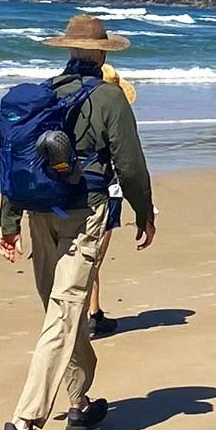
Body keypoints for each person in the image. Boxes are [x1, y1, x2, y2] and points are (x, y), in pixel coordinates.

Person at [0, 14, 157, 430]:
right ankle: (24, 423)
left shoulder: (44, 93)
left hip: (37, 210)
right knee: (65, 314)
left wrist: (9, 221)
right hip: (83, 211)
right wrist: (144, 213)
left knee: (59, 310)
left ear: (68, 51)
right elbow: (129, 164)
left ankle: (79, 401)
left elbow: (15, 158)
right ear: (102, 53)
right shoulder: (109, 98)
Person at [87, 60, 138, 340]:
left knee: (84, 257)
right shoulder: (115, 117)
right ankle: (91, 315)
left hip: (79, 191)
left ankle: (93, 311)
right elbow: (126, 164)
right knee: (94, 258)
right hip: (108, 193)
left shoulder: (80, 112)